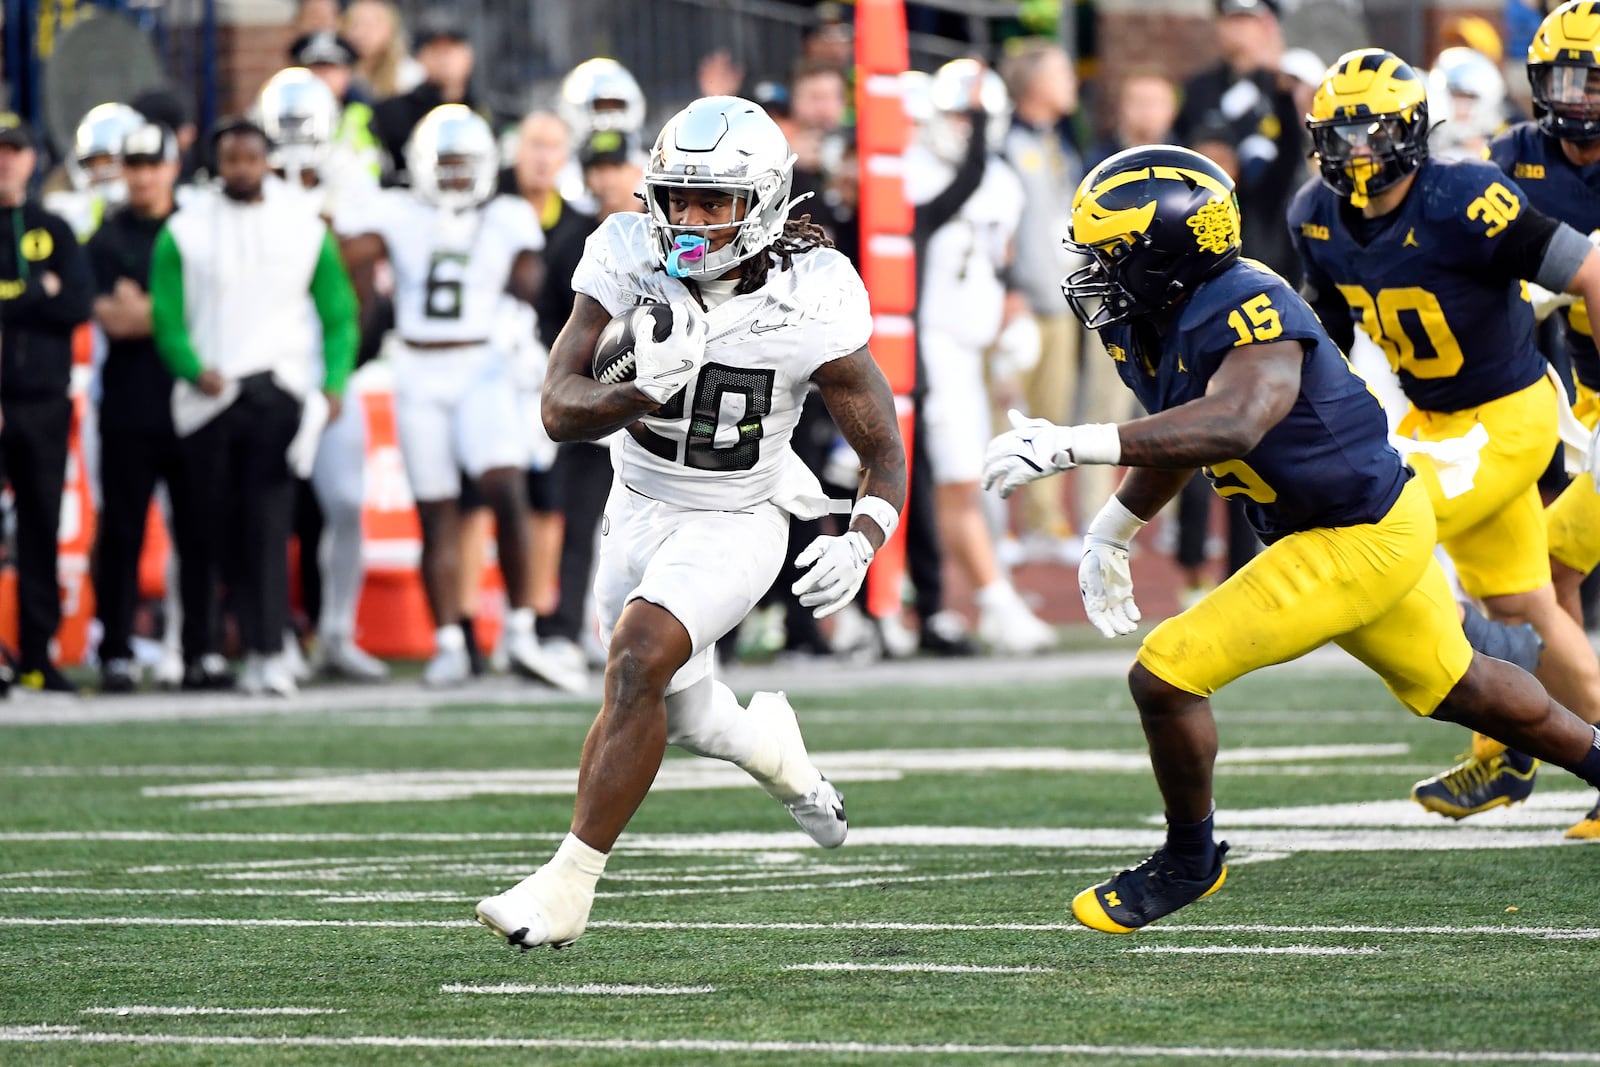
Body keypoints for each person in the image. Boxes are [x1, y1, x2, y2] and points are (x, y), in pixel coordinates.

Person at [980, 143, 1600, 934]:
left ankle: (1190, 859)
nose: (1095, 271)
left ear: (1169, 252)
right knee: (1465, 687)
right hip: (1352, 527)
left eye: (1112, 254)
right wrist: (1115, 527)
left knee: (1166, 675)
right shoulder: (1145, 318)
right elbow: (1178, 430)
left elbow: (1235, 420)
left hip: (1354, 535)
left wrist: (1079, 444)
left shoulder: (1250, 300)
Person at [475, 95, 905, 951]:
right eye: (678, 199)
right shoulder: (625, 252)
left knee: (636, 661)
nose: (691, 221)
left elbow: (883, 448)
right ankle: (776, 752)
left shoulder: (814, 292)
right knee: (690, 710)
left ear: (767, 204)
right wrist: (637, 390)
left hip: (740, 515)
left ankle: (568, 885)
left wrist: (862, 540)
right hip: (633, 508)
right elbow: (560, 410)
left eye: (715, 203)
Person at [1288, 49, 1600, 830]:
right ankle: (1536, 745)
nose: (1357, 150)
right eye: (1342, 132)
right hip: (1434, 419)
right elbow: (1318, 337)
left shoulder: (1464, 194)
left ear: (1412, 132)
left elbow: (1589, 271)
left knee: (1376, 530)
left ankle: (1499, 679)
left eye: (1372, 131)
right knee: (1527, 601)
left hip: (1507, 415)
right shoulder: (1313, 215)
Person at [338, 105, 555, 688]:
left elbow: (532, 280)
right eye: (446, 166)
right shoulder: (396, 212)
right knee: (434, 510)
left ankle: (520, 629)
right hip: (416, 366)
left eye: (467, 166)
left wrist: (486, 244)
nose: (457, 178)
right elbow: (341, 254)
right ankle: (450, 641)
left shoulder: (506, 215)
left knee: (504, 486)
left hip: (481, 363)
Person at [150, 117, 359, 696]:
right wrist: (194, 369)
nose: (240, 168)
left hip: (279, 392)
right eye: (230, 159)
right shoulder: (185, 229)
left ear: (267, 160)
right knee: (206, 530)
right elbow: (165, 319)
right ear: (217, 164)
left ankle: (270, 651)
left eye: (250, 157)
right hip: (207, 398)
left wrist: (334, 382)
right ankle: (199, 651)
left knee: (267, 524)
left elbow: (338, 312)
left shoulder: (303, 224)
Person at [1480, 0, 1600, 837]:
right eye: (1562, 77)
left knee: (1544, 566)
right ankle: (1524, 738)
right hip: (1582, 398)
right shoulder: (1510, 159)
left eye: (1590, 78)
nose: (1575, 96)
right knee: (1547, 579)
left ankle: (1520, 739)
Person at [908, 58, 1053, 654]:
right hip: (928, 341)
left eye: (974, 117)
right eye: (954, 115)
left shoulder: (1004, 182)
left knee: (972, 478)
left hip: (970, 346)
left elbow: (1000, 265)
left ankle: (983, 598)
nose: (963, 128)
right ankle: (991, 600)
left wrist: (1008, 323)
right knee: (957, 479)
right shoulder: (913, 171)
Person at [257, 67, 389, 682]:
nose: (293, 137)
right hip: (266, 361)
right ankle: (273, 636)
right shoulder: (249, 178)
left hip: (332, 362)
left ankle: (336, 631)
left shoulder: (350, 175)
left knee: (341, 500)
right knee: (267, 508)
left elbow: (363, 252)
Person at [87, 122, 224, 694]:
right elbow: (113, 319)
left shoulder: (199, 228)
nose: (142, 175)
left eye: (153, 163)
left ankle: (201, 651)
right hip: (129, 401)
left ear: (173, 166)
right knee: (121, 529)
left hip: (193, 400)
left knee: (201, 532)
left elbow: (214, 309)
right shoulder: (106, 236)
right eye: (134, 164)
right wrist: (171, 313)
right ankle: (115, 649)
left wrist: (150, 307)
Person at [0, 112, 94, 692]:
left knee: (40, 528)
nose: (7, 159)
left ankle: (38, 654)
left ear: (33, 158)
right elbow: (50, 298)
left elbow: (76, 305)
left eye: (15, 149)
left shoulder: (53, 227)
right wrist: (38, 290)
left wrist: (19, 298)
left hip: (43, 401)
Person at [1001, 40, 1088, 563]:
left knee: (1053, 417)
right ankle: (999, 528)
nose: (1072, 83)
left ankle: (1045, 521)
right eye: (1062, 72)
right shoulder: (1006, 143)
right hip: (1020, 303)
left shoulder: (1061, 142)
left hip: (1061, 302)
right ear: (1034, 83)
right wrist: (1008, 285)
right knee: (1005, 415)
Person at [1172, 0, 1305, 286]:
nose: (1240, 32)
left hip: (1273, 228)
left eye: (1248, 22)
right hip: (1208, 225)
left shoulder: (1281, 85)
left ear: (1265, 27)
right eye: (1232, 21)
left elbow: (1295, 154)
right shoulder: (1198, 88)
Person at [370, 10, 478, 184]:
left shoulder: (485, 115)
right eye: (436, 50)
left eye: (452, 48)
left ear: (468, 55)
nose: (445, 57)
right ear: (421, 58)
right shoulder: (391, 113)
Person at [341, 0, 425, 101]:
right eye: (355, 25)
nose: (361, 33)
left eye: (370, 25)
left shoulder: (408, 72)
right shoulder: (336, 68)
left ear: (390, 29)